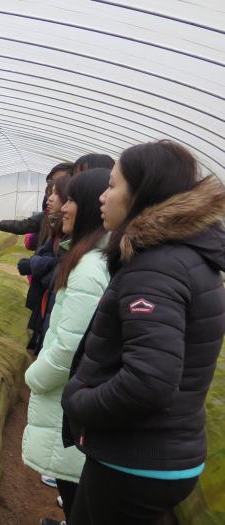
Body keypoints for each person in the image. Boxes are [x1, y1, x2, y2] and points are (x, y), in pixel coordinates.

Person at [62, 141, 225, 525]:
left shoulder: (156, 268)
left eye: (113, 185)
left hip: (135, 460)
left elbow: (148, 382)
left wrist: (79, 401)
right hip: (158, 454)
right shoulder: (183, 257)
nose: (103, 195)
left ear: (141, 193)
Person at [22, 168, 111, 525]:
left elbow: (67, 349)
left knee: (76, 492)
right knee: (76, 494)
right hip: (75, 399)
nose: (61, 206)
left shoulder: (88, 268)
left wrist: (33, 377)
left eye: (71, 198)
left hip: (68, 399)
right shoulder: (90, 258)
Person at [17, 175, 71, 355]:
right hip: (45, 301)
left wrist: (35, 265)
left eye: (56, 193)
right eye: (50, 192)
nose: (50, 198)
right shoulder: (55, 227)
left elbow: (59, 269)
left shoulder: (71, 237)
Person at [0, 162, 72, 239]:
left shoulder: (74, 226)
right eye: (52, 181)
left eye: (60, 181)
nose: (49, 199)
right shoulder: (50, 215)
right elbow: (25, 225)